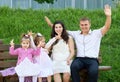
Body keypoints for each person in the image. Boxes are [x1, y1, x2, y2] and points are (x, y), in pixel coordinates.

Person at [45, 4, 111, 82]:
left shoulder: (96, 33)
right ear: (79, 25)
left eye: (86, 25)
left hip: (92, 60)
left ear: (90, 24)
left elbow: (106, 27)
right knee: (73, 67)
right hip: (79, 59)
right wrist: (51, 25)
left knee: (93, 71)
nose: (84, 26)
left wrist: (108, 16)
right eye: (82, 25)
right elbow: (61, 30)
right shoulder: (76, 34)